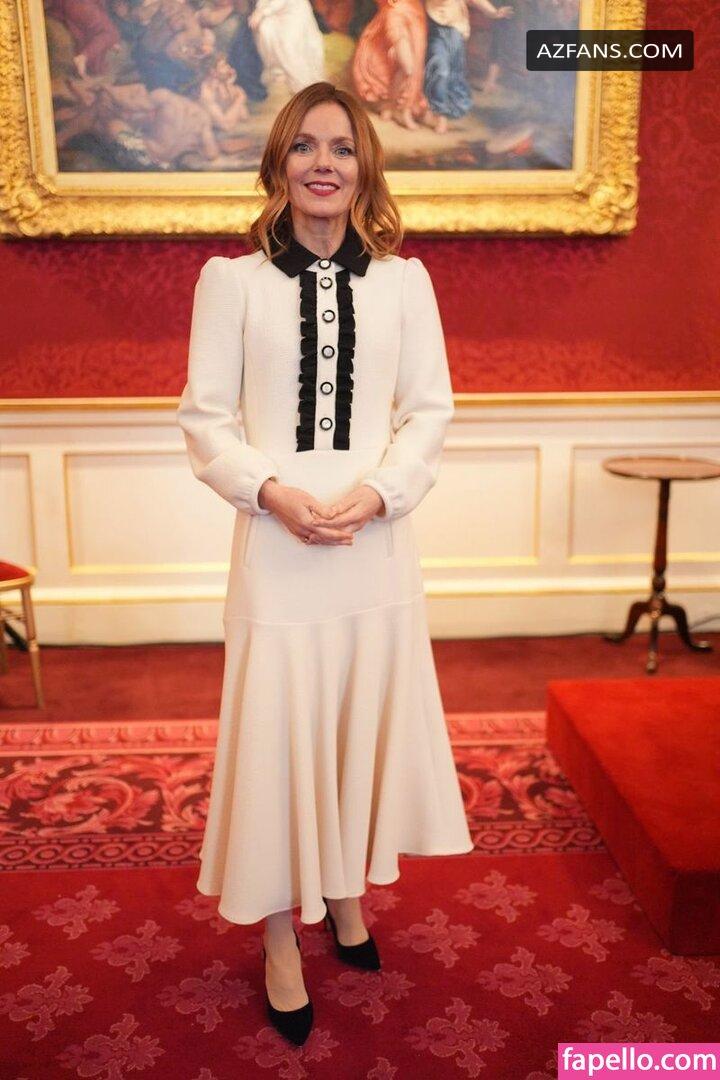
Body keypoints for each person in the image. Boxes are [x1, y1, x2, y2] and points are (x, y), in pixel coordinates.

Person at [176, 80, 473, 1046]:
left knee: (354, 728)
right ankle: (277, 936)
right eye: (305, 145)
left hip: (375, 549)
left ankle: (345, 893)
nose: (323, 163)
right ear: (279, 162)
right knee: (277, 737)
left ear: (364, 168)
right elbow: (206, 421)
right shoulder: (231, 283)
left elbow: (427, 412)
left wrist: (381, 493)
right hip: (278, 547)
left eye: (342, 148)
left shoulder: (404, 283)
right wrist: (272, 493)